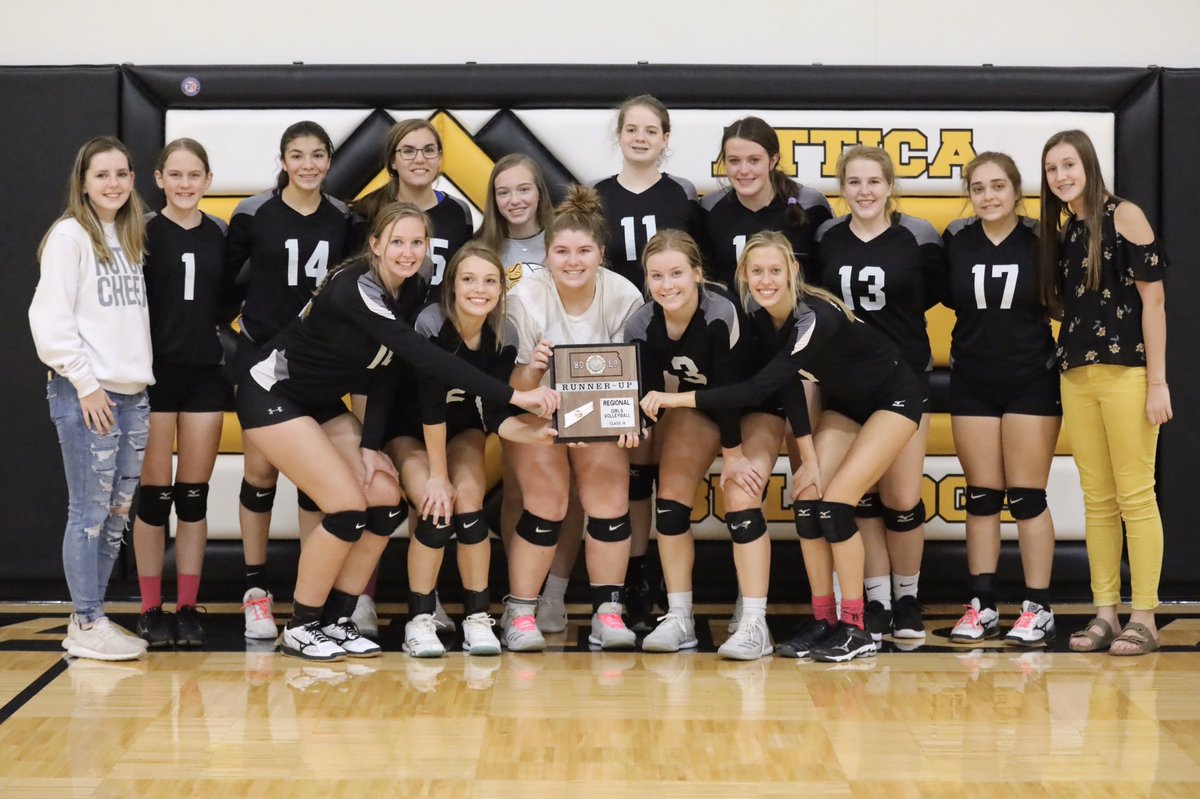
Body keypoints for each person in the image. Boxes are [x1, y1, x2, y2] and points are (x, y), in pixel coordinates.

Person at [237, 202, 558, 661]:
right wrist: (516, 397)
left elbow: (387, 369)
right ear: (375, 245)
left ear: (427, 248)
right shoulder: (355, 288)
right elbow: (424, 356)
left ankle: (338, 619)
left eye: (416, 242)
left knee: (386, 501)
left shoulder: (413, 289)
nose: (407, 252)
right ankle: (301, 625)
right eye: (398, 242)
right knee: (346, 509)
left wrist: (370, 446)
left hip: (322, 404)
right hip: (271, 392)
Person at [642, 231, 924, 663]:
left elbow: (757, 387)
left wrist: (673, 398)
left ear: (793, 270)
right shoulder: (759, 316)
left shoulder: (816, 315)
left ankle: (856, 626)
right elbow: (792, 388)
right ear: (744, 275)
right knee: (809, 500)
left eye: (775, 270)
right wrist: (808, 461)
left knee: (836, 505)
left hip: (894, 397)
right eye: (757, 271)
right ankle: (824, 618)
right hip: (844, 404)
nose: (766, 279)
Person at [387, 244, 557, 658]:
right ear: (452, 286)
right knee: (436, 506)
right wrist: (438, 476)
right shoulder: (431, 323)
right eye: (468, 279)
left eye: (489, 280)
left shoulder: (504, 333)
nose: (479, 289)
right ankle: (420, 618)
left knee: (470, 508)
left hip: (463, 427)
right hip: (410, 428)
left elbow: (495, 411)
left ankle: (477, 618)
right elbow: (429, 404)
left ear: (501, 289)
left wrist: (534, 435)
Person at [225, 121, 359, 640]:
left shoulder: (344, 217)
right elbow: (226, 288)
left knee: (316, 475)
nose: (308, 164)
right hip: (260, 356)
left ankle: (314, 596)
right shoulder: (253, 213)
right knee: (260, 471)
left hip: (315, 361)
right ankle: (256, 590)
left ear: (329, 161)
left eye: (318, 155)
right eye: (297, 155)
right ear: (283, 160)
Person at [1040, 130, 1171, 656]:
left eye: (1068, 165)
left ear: (1088, 165)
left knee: (1136, 494)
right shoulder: (1067, 229)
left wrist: (1157, 381)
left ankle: (1145, 615)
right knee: (1097, 499)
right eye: (1052, 170)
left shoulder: (1125, 215)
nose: (1061, 176)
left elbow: (1154, 303)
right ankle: (1105, 613)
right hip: (1077, 373)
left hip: (1127, 372)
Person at [501, 184, 645, 652]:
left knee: (608, 495)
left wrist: (628, 416)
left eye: (584, 250)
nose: (573, 260)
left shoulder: (623, 294)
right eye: (562, 251)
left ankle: (608, 612)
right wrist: (534, 367)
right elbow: (515, 387)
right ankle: (520, 611)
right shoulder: (524, 294)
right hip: (536, 406)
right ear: (546, 256)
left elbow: (633, 375)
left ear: (601, 253)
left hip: (597, 413)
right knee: (546, 500)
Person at [813, 145, 946, 643]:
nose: (864, 191)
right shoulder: (827, 235)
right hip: (845, 384)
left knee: (901, 496)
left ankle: (909, 596)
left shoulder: (919, 237)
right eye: (854, 182)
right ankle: (876, 598)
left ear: (890, 185)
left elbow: (933, 292)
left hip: (904, 378)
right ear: (842, 188)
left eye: (874, 181)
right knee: (853, 492)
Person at [624, 230, 775, 659]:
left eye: (676, 273)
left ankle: (754, 622)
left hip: (757, 406)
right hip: (701, 404)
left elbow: (730, 391)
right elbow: (650, 393)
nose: (666, 285)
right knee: (670, 502)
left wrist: (733, 456)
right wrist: (631, 424)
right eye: (656, 276)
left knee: (741, 495)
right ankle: (680, 615)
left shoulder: (720, 311)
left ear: (697, 274)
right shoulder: (641, 321)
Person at [30, 136, 152, 661]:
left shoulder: (127, 234)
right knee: (88, 511)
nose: (114, 183)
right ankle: (84, 618)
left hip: (132, 394)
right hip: (89, 395)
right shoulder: (69, 235)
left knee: (117, 514)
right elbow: (48, 321)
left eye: (122, 174)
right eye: (102, 175)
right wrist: (85, 383)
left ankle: (93, 615)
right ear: (83, 182)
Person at [593, 95, 703, 631]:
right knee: (632, 462)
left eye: (651, 130)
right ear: (619, 135)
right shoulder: (598, 195)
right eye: (631, 129)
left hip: (673, 338)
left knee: (666, 463)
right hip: (619, 338)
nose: (640, 137)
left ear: (665, 138)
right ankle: (635, 575)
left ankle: (662, 576)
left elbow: (697, 266)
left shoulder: (683, 194)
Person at [943, 152, 1060, 646]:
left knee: (1027, 496)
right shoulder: (956, 240)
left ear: (1016, 190)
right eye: (978, 188)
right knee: (982, 496)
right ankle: (983, 604)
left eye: (998, 186)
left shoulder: (1041, 239)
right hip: (972, 379)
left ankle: (1038, 606)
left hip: (1030, 378)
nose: (988, 196)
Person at [132, 138, 235, 648]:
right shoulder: (143, 233)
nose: (185, 184)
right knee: (154, 499)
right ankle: (151, 608)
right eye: (176, 175)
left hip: (204, 377)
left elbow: (227, 304)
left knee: (193, 497)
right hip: (153, 377)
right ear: (158, 179)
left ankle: (188, 606)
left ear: (208, 180)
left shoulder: (221, 233)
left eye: (195, 175)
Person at [701, 115, 832, 290]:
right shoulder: (709, 208)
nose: (744, 170)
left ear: (773, 160)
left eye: (754, 160)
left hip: (798, 315)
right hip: (735, 315)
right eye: (734, 161)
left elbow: (827, 276)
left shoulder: (810, 205)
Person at [354, 118, 473, 287]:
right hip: (381, 311)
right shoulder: (368, 209)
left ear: (439, 158)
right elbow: (355, 277)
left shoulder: (459, 211)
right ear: (393, 161)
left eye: (429, 150)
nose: (420, 159)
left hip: (440, 312)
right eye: (408, 151)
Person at [477, 153, 553, 288]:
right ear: (494, 199)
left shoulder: (565, 244)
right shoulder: (478, 250)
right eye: (503, 193)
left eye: (524, 189)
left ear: (539, 192)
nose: (515, 200)